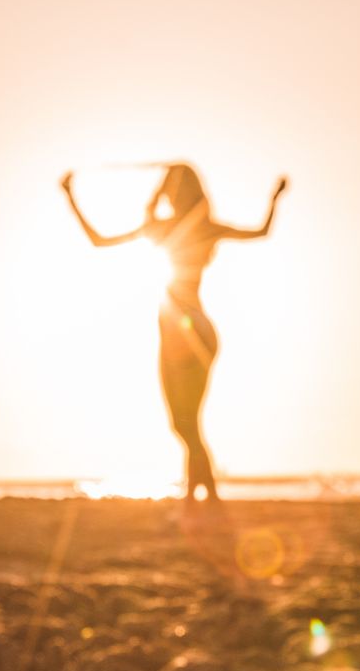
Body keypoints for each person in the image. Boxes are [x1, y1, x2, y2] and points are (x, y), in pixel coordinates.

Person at [60, 163, 287, 505]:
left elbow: (99, 241)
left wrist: (70, 195)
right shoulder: (204, 227)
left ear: (170, 193)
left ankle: (205, 495)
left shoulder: (162, 227)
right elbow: (262, 232)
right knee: (186, 421)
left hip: (181, 328)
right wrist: (275, 198)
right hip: (197, 328)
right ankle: (197, 494)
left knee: (184, 423)